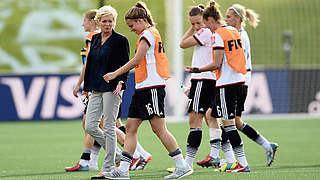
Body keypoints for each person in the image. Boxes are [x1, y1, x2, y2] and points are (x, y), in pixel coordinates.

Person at [101, 1, 193, 179]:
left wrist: (115, 74)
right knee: (130, 127)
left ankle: (182, 165)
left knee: (159, 129)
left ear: (141, 20)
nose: (131, 29)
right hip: (143, 88)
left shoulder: (149, 34)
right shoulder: (147, 34)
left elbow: (136, 60)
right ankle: (124, 170)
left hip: (152, 88)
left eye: (132, 25)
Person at [185, 0, 250, 172]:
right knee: (214, 116)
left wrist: (197, 69)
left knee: (228, 125)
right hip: (239, 80)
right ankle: (229, 160)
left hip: (226, 83)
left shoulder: (218, 34)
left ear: (211, 20)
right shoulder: (233, 30)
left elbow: (216, 64)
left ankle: (242, 163)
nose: (206, 27)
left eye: (206, 23)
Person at [223, 3, 278, 167]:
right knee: (235, 121)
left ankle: (227, 159)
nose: (226, 20)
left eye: (228, 17)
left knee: (228, 120)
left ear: (238, 18)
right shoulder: (237, 33)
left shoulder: (240, 36)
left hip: (239, 82)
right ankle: (267, 145)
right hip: (239, 81)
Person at [81, 5, 130, 178]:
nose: (108, 24)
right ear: (98, 22)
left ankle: (108, 168)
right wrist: (86, 88)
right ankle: (117, 155)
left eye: (111, 21)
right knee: (90, 125)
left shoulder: (120, 40)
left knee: (109, 127)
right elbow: (90, 66)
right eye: (105, 21)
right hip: (95, 88)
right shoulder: (94, 39)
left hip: (113, 88)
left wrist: (121, 82)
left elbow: (126, 64)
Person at [179, 4, 221, 169]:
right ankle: (216, 156)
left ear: (205, 19)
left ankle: (186, 163)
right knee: (211, 118)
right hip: (210, 79)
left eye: (198, 22)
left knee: (194, 120)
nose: (196, 27)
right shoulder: (209, 32)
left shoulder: (204, 32)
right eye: (192, 24)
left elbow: (182, 44)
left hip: (202, 80)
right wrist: (195, 26)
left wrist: (192, 29)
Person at [65, 9, 102, 172]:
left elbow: (88, 64)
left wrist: (81, 84)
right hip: (102, 84)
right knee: (99, 125)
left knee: (93, 124)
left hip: (97, 86)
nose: (82, 23)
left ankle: (135, 154)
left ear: (92, 21)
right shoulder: (103, 37)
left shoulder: (92, 37)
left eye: (85, 20)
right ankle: (89, 161)